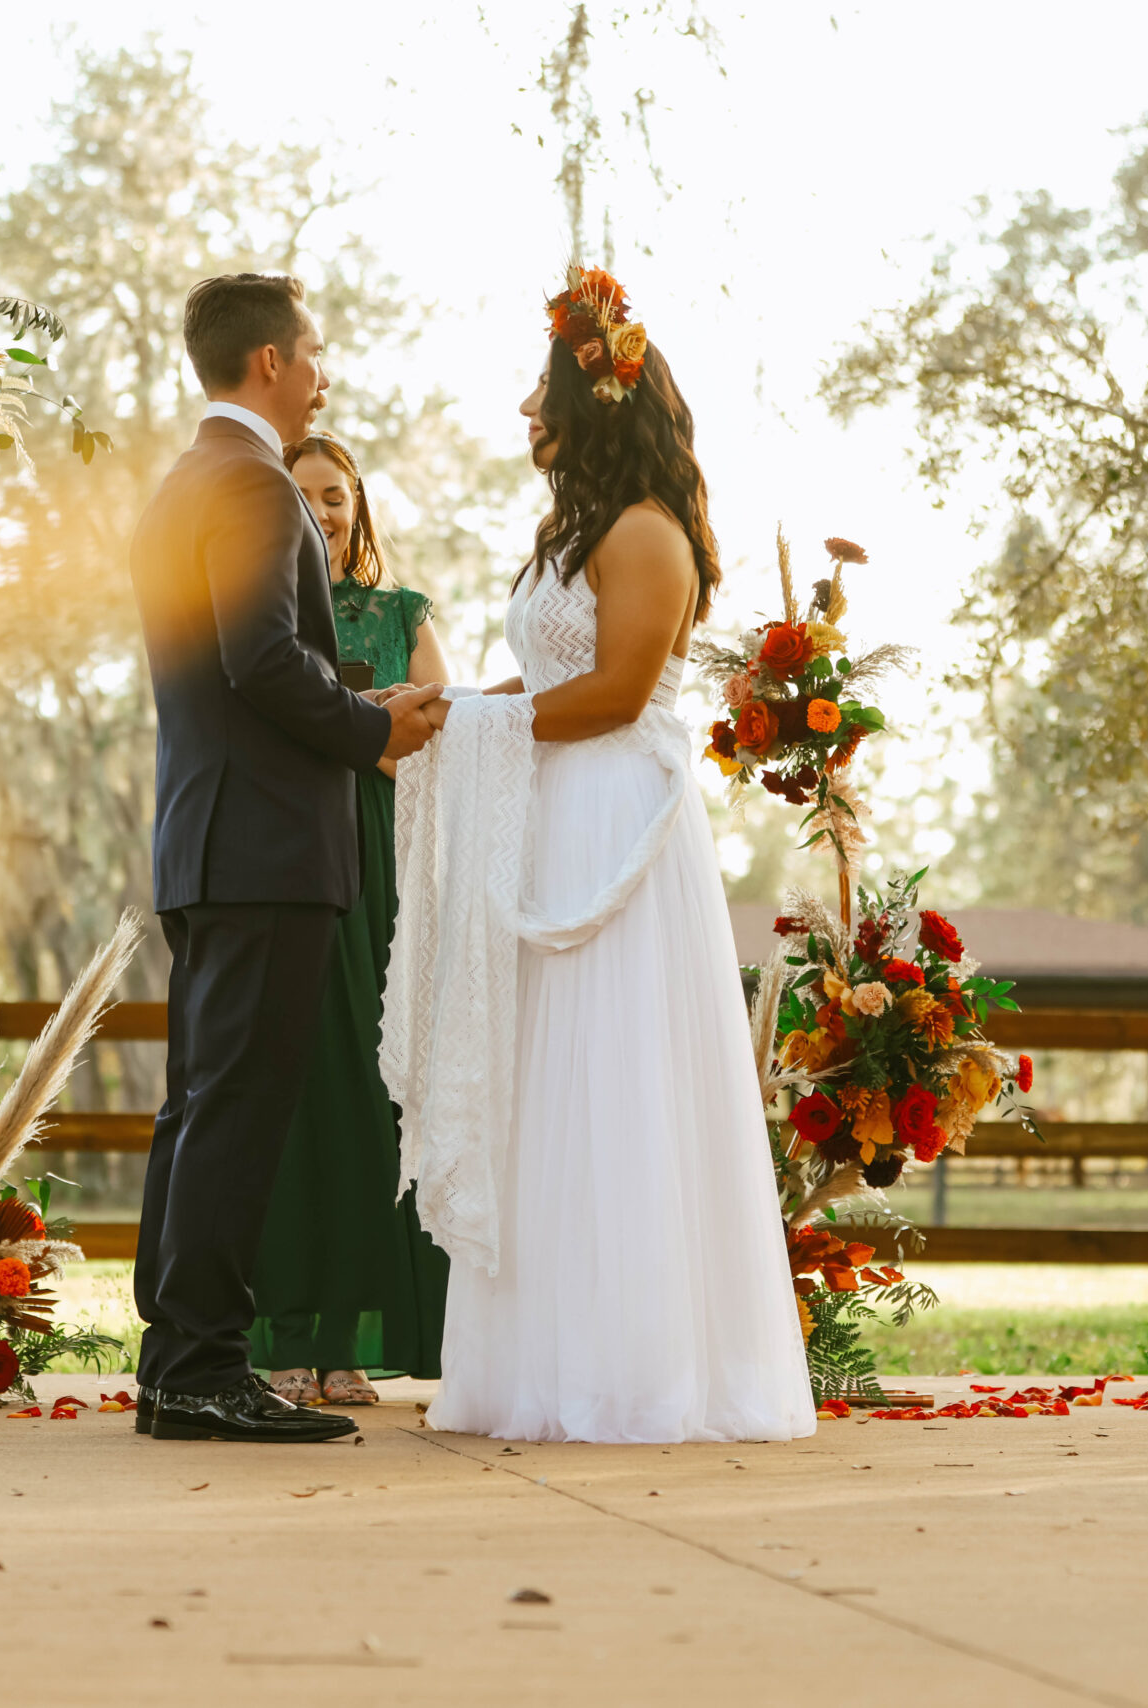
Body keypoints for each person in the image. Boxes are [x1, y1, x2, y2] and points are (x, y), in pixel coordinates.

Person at [380, 265, 818, 1444]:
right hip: (548, 800)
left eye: (540, 396)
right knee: (542, 1085)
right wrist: (445, 711)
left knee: (614, 1076)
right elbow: (552, 684)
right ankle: (533, 1367)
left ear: (594, 406)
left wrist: (481, 721)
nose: (527, 414)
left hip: (615, 816)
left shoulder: (645, 534)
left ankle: (638, 1373)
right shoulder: (572, 530)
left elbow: (620, 693)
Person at [124, 273, 443, 1444]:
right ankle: (203, 1369)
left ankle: (177, 1364)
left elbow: (227, 667)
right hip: (265, 847)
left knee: (199, 1111)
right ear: (268, 363)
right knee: (238, 1110)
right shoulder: (255, 486)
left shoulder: (184, 485)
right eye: (313, 353)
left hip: (209, 839)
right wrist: (376, 729)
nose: (323, 373)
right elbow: (261, 659)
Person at [248, 431, 452, 1408]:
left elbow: (434, 738)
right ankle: (282, 1333)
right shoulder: (260, 615)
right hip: (290, 857)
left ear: (357, 507)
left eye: (336, 496)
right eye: (304, 495)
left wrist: (348, 729)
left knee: (372, 1103)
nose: (323, 511)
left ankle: (343, 1343)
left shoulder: (403, 612)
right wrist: (368, 723)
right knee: (293, 1104)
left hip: (382, 872)